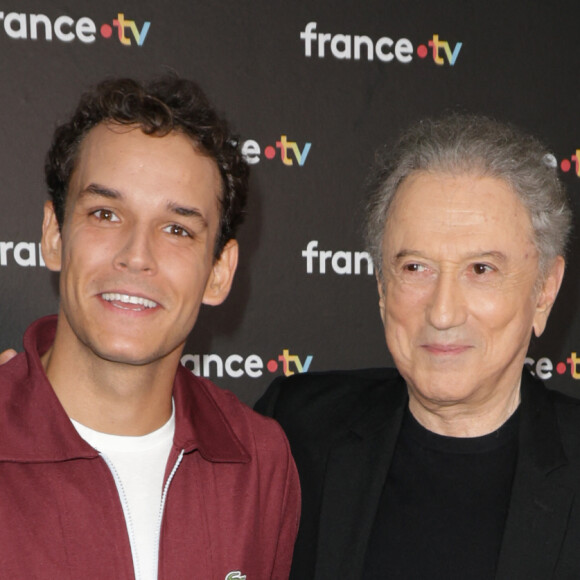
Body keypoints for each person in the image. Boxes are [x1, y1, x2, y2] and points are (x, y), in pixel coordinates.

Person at [0, 75, 300, 579]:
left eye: (177, 228)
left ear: (219, 272)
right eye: (105, 213)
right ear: (54, 235)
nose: (137, 256)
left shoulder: (260, 463)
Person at [256, 114, 580, 579]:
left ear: (545, 290)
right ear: (382, 287)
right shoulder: (294, 430)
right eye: (415, 268)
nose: (442, 312)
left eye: (481, 270)